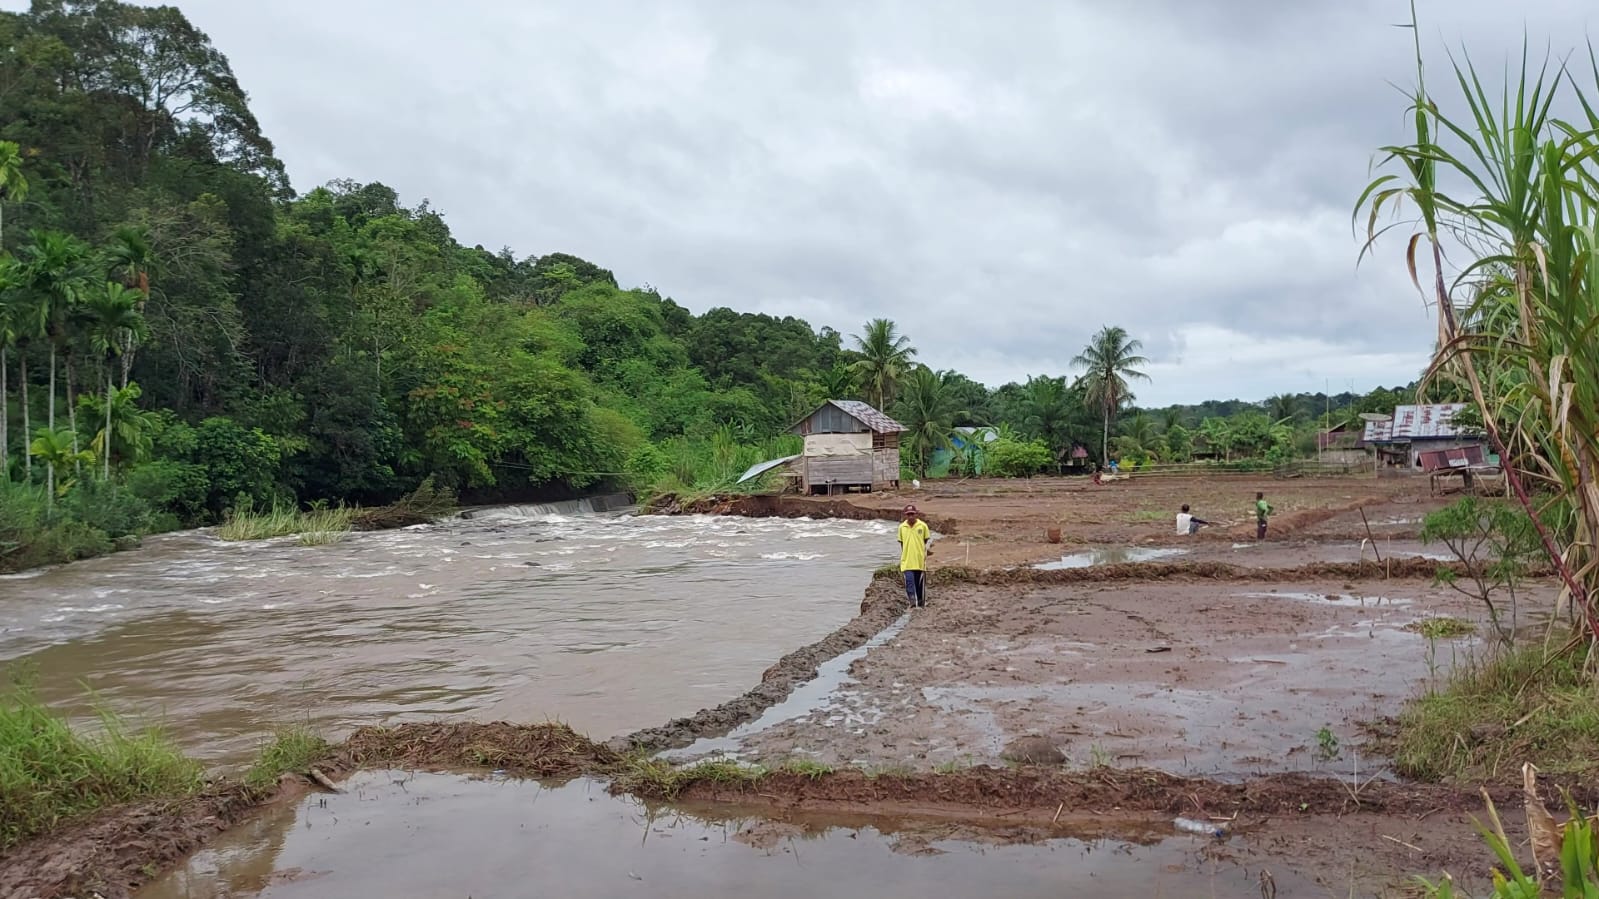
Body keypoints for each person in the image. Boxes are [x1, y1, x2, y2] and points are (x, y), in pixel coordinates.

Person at [897, 504, 932, 608]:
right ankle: (912, 602)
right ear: (905, 515)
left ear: (916, 514)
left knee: (919, 585)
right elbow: (902, 543)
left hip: (919, 561)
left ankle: (921, 604)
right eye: (908, 515)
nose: (910, 517)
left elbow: (925, 540)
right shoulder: (902, 527)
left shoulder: (923, 526)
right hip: (907, 561)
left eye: (912, 514)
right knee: (909, 582)